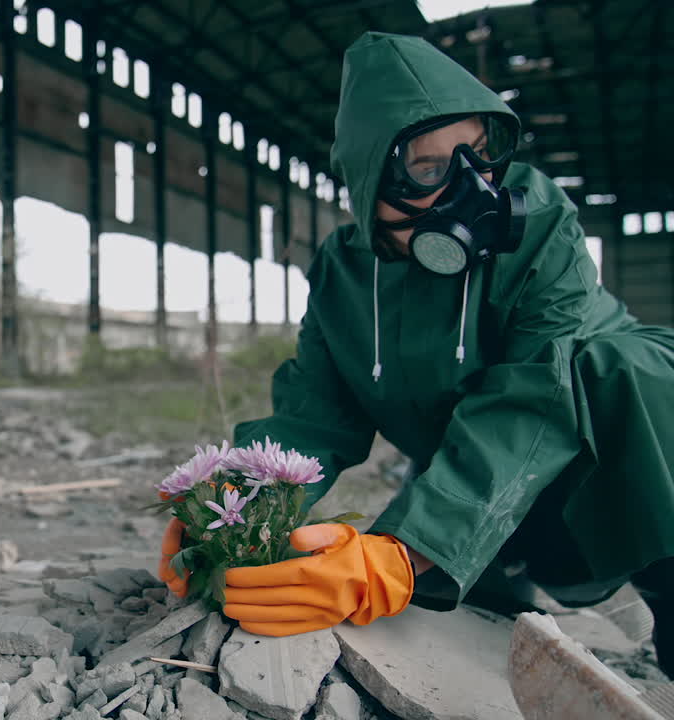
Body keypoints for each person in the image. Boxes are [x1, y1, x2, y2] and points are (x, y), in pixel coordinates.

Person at [156, 31, 674, 673]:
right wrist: (230, 508)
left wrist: (402, 551)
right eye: (429, 170)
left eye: (479, 155)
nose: (471, 186)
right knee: (464, 607)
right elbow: (313, 416)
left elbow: (536, 396)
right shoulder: (343, 272)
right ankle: (491, 580)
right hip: (476, 472)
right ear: (369, 180)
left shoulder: (539, 225)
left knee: (626, 371)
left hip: (601, 460)